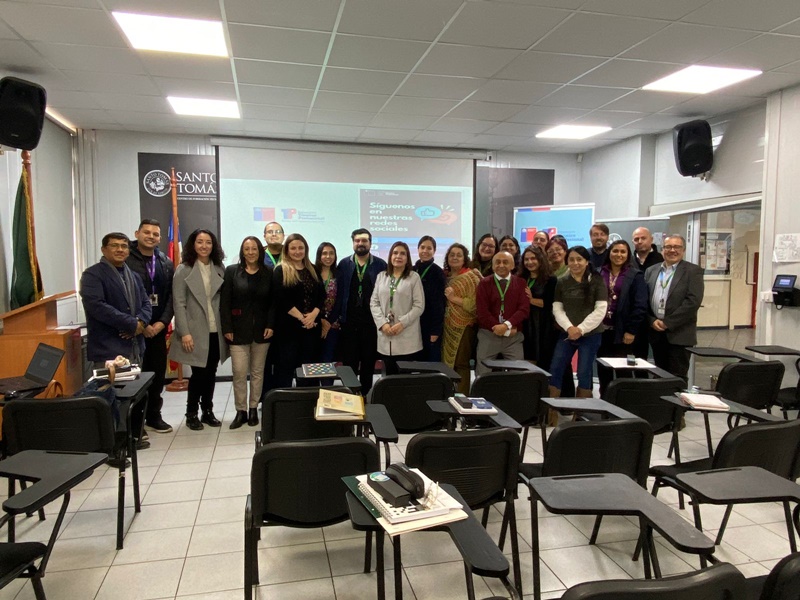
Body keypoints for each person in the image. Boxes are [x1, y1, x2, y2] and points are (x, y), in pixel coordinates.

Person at [169, 229, 229, 431]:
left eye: (208, 242)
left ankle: (208, 411)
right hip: (194, 332)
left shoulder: (220, 268)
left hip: (216, 330)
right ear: (192, 244)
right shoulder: (184, 269)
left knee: (210, 373)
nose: (204, 246)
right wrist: (184, 332)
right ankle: (191, 413)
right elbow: (179, 303)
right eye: (200, 242)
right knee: (198, 374)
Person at [220, 236, 275, 429]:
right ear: (242, 251)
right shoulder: (232, 271)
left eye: (254, 249)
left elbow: (272, 303)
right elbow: (224, 302)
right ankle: (240, 411)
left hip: (262, 332)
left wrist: (270, 324)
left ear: (260, 251)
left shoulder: (269, 272)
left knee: (258, 373)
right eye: (247, 249)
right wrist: (227, 328)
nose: (250, 252)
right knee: (239, 372)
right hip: (237, 332)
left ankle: (253, 409)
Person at [126, 219, 174, 435]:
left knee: (156, 376)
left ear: (160, 238)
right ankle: (135, 421)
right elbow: (123, 297)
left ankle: (154, 415)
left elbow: (170, 296)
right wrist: (140, 324)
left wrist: (162, 322)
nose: (151, 237)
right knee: (135, 376)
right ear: (137, 233)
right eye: (147, 232)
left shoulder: (164, 261)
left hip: (158, 328)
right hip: (132, 331)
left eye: (156, 234)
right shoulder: (125, 258)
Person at [80, 232, 151, 367]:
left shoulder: (134, 276)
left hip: (135, 347)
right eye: (114, 245)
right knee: (111, 388)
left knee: (135, 387)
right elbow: (97, 306)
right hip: (108, 349)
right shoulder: (92, 275)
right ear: (103, 249)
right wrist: (131, 324)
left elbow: (146, 303)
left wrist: (141, 323)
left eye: (124, 246)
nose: (120, 249)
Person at [332, 229, 387, 395]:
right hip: (349, 322)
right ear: (353, 243)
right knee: (349, 364)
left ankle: (365, 396)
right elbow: (339, 293)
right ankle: (350, 396)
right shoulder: (344, 264)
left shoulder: (380, 265)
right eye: (357, 241)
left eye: (364, 241)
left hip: (372, 323)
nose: (360, 244)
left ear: (370, 243)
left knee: (369, 363)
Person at [548, 246, 608, 399]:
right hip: (567, 333)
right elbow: (557, 308)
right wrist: (569, 328)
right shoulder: (562, 282)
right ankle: (550, 412)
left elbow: (600, 309)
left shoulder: (596, 280)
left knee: (584, 371)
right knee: (556, 368)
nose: (575, 263)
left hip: (591, 334)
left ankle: (582, 413)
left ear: (587, 261)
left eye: (579, 259)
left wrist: (580, 329)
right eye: (571, 260)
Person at [645, 234, 704, 382]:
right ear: (662, 249)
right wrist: (652, 320)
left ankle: (677, 406)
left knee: (677, 378)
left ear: (683, 250)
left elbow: (693, 302)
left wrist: (667, 322)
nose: (672, 250)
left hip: (679, 334)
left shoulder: (692, 271)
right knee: (659, 375)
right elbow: (644, 300)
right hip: (656, 333)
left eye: (676, 247)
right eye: (668, 247)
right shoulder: (651, 271)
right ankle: (660, 405)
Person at [596, 240, 648, 397]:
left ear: (628, 255)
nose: (618, 254)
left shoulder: (635, 275)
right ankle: (605, 401)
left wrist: (631, 330)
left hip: (623, 332)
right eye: (615, 251)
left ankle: (623, 403)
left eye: (622, 252)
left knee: (623, 370)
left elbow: (640, 305)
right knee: (603, 369)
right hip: (600, 330)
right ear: (609, 253)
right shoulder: (599, 272)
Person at [272, 233, 325, 387]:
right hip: (289, 330)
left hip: (312, 329)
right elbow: (281, 299)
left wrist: (314, 315)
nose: (297, 251)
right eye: (293, 248)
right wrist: (303, 318)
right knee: (286, 370)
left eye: (301, 248)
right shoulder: (280, 270)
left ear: (306, 249)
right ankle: (286, 406)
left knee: (310, 370)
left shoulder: (313, 269)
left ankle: (308, 403)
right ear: (287, 250)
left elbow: (321, 295)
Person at [370, 241, 424, 374]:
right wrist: (383, 324)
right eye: (395, 253)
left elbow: (419, 305)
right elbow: (374, 302)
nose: (398, 256)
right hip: (386, 335)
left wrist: (402, 323)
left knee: (404, 383)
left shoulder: (413, 277)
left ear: (407, 258)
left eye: (402, 254)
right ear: (390, 256)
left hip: (406, 337)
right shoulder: (381, 276)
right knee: (387, 380)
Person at [475, 251, 530, 376]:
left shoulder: (521, 283)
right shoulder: (484, 284)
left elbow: (524, 310)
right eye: (497, 262)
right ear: (493, 266)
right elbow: (482, 312)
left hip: (513, 337)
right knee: (483, 373)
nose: (501, 265)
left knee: (518, 374)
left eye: (505, 262)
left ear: (512, 266)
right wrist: (498, 328)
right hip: (488, 334)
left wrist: (506, 326)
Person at [442, 243, 481, 395]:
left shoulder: (472, 277)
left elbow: (475, 305)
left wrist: (453, 298)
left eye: (459, 255)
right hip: (446, 327)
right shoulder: (445, 276)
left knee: (461, 364)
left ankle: (462, 399)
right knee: (447, 365)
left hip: (464, 327)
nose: (455, 257)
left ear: (465, 258)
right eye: (452, 254)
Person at [517, 245, 556, 367]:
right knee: (526, 361)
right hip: (525, 323)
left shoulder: (550, 279)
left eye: (533, 258)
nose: (529, 262)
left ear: (540, 259)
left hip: (543, 325)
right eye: (526, 259)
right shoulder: (521, 278)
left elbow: (550, 304)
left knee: (542, 361)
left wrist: (531, 300)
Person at [631, 227, 664, 364]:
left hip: (657, 319)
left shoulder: (661, 261)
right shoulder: (630, 262)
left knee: (661, 359)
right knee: (638, 360)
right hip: (637, 318)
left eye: (643, 238)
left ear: (651, 239)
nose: (640, 241)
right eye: (636, 239)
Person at [413, 236, 445, 362]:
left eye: (429, 248)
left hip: (430, 325)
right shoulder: (412, 269)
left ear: (434, 251)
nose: (425, 251)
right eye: (422, 247)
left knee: (430, 365)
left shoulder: (437, 272)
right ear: (418, 249)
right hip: (414, 324)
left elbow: (439, 304)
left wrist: (435, 331)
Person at [315, 242, 341, 363]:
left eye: (331, 253)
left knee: (328, 360)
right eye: (324, 253)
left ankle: (327, 383)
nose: (328, 256)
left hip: (333, 324)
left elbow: (340, 300)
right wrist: (321, 320)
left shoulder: (339, 274)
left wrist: (328, 322)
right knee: (313, 360)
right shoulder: (313, 273)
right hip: (314, 323)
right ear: (319, 256)